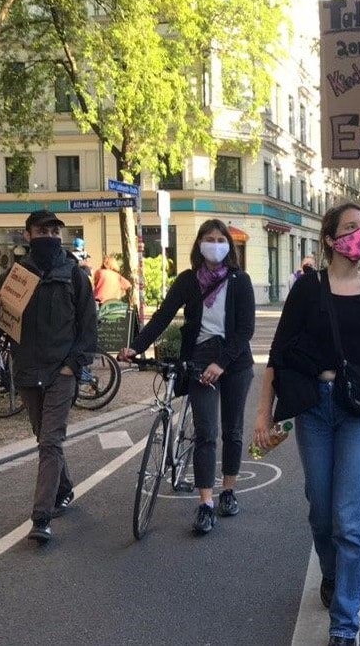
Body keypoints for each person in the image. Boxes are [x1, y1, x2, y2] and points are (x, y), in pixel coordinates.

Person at [252, 203, 360, 646]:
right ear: (331, 238)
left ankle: (344, 624)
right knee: (321, 510)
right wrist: (263, 414)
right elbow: (278, 354)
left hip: (357, 410)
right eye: (351, 227)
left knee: (350, 521)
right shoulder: (307, 288)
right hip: (314, 408)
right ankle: (332, 573)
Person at [118, 219, 255, 535]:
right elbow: (162, 317)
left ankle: (228, 491)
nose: (215, 244)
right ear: (199, 244)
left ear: (228, 246)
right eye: (209, 239)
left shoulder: (240, 280)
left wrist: (221, 363)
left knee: (232, 430)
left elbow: (245, 329)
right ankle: (205, 503)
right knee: (205, 432)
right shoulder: (188, 280)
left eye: (221, 240)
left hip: (234, 363)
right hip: (199, 361)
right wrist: (136, 347)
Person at [0, 210, 97, 544]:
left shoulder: (74, 275)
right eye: (42, 231)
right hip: (28, 371)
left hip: (61, 371)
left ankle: (41, 517)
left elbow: (88, 326)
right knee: (44, 437)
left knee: (50, 441)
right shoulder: (15, 276)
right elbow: (0, 329)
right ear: (28, 235)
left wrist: (73, 365)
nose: (49, 237)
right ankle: (64, 488)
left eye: (54, 232)